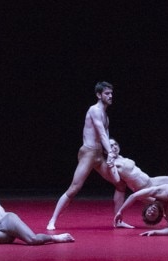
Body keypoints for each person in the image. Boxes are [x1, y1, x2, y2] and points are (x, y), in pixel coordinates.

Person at [46, 81, 132, 231]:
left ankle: (118, 221)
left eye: (111, 93)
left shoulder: (106, 115)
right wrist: (110, 153)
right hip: (88, 153)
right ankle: (52, 220)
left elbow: (106, 137)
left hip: (98, 155)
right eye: (107, 93)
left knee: (120, 184)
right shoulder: (94, 110)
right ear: (99, 95)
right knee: (74, 188)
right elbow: (101, 132)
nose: (110, 96)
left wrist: (112, 154)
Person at [107, 140, 168, 230]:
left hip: (151, 180)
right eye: (111, 146)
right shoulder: (114, 163)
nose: (114, 147)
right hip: (142, 189)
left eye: (115, 144)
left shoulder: (121, 158)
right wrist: (110, 163)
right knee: (165, 204)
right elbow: (116, 179)